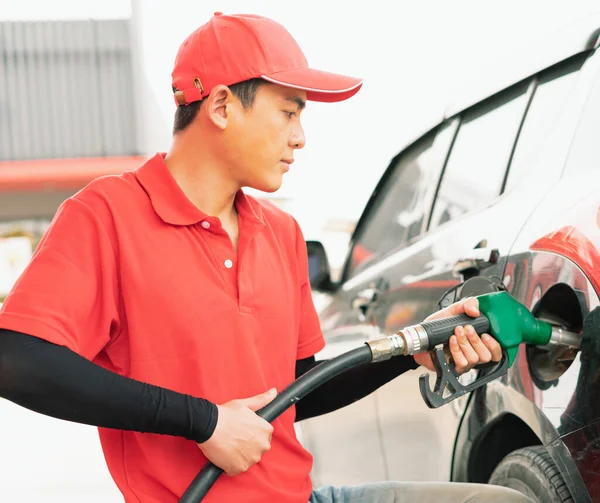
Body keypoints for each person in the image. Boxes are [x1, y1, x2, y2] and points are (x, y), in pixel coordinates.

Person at [0, 12, 534, 503]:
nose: (299, 138)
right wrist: (202, 422)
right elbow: (17, 359)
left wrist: (413, 347)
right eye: (287, 113)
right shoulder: (108, 215)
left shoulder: (279, 231)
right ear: (222, 106)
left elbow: (298, 387)